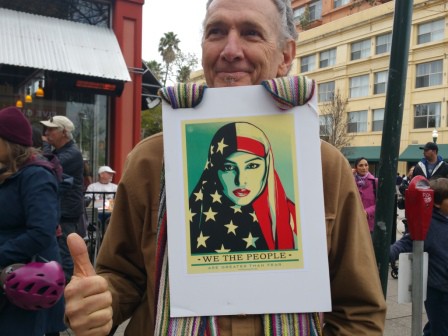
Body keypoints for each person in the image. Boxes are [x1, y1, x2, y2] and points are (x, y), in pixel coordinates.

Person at [64, 0, 386, 335]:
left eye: (251, 33)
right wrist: (102, 302)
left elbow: (358, 311)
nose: (231, 50)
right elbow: (123, 276)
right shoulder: (150, 160)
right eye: (216, 32)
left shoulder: (325, 167)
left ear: (286, 56)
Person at [0, 106, 66, 335]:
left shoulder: (36, 175)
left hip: (29, 283)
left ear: (8, 142)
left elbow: (41, 231)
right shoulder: (9, 172)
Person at [189, 122, 296, 253]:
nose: (240, 181)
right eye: (228, 167)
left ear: (267, 166)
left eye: (252, 166)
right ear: (213, 169)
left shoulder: (295, 218)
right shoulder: (193, 219)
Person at [390, 177, 448, 335]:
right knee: (441, 328)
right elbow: (406, 243)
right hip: (438, 291)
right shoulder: (427, 225)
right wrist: (386, 253)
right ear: (436, 203)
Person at [40, 115, 84, 282]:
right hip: (62, 210)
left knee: (65, 254)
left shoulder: (72, 154)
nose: (47, 132)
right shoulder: (61, 152)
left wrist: (43, 144)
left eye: (51, 129)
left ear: (64, 132)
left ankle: (64, 295)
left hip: (66, 213)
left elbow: (47, 165)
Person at [353, 157, 377, 234]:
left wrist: (367, 212)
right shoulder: (351, 181)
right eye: (361, 165)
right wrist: (349, 175)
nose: (364, 168)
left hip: (370, 225)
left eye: (366, 165)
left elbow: (381, 204)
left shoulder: (375, 182)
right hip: (354, 223)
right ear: (355, 168)